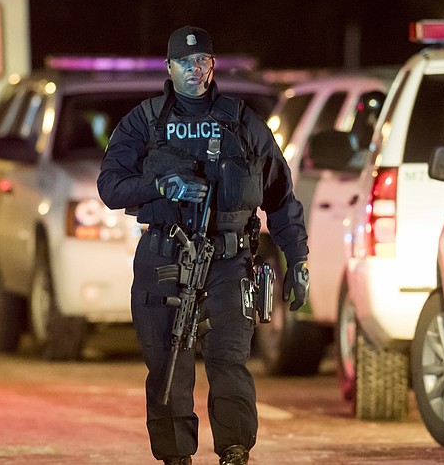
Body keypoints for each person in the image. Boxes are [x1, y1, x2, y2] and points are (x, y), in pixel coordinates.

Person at [97, 26, 310, 465]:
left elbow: (280, 197)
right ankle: (176, 456)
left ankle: (235, 451)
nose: (195, 70)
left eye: (203, 61)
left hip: (229, 258)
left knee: (228, 360)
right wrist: (161, 186)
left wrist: (299, 259)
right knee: (167, 363)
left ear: (212, 65)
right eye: (185, 62)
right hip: (165, 255)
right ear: (168, 67)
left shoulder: (241, 120)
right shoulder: (146, 121)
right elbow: (111, 187)